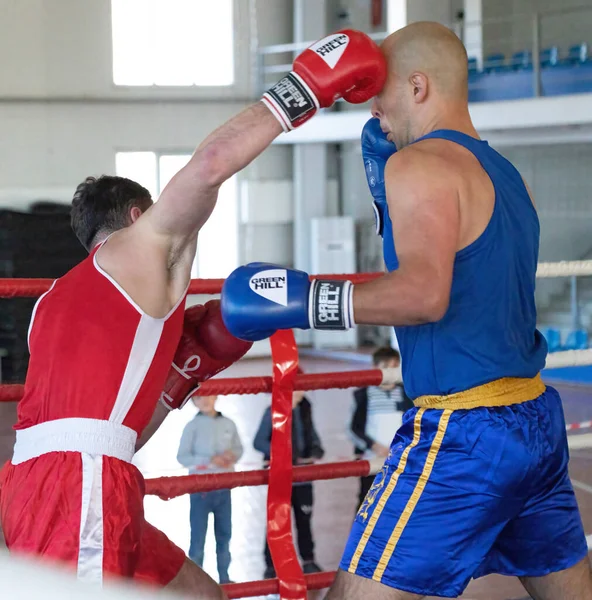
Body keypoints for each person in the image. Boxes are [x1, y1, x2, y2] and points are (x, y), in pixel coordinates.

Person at [0, 27, 387, 597]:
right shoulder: (138, 248)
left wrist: (188, 367)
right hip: (77, 490)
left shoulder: (54, 302)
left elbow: (115, 431)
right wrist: (306, 85)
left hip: (61, 480)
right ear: (137, 215)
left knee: (198, 592)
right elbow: (209, 164)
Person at [220, 21, 592, 600]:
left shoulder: (418, 166)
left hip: (464, 431)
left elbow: (423, 295)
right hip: (533, 417)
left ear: (418, 87)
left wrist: (302, 300)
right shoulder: (508, 176)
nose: (372, 105)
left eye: (380, 90)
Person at [253, 386, 324, 579]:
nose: (297, 393)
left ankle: (308, 561)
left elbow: (314, 438)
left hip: (302, 478)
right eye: (293, 389)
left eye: (300, 389)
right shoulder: (271, 412)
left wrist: (316, 451)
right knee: (276, 522)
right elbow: (258, 442)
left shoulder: (305, 410)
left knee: (304, 521)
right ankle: (271, 564)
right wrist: (283, 452)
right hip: (279, 477)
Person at [177, 394, 243, 584]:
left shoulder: (229, 423)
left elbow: (239, 448)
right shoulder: (192, 426)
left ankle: (225, 578)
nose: (204, 400)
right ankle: (197, 583)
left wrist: (232, 456)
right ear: (192, 401)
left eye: (208, 395)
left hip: (224, 488)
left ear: (216, 396)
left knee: (224, 535)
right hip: (200, 490)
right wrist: (208, 460)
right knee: (198, 537)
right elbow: (182, 457)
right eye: (198, 397)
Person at [349, 346, 412, 510]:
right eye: (386, 367)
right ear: (375, 368)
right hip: (371, 459)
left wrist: (402, 447)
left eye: (394, 367)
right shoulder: (363, 395)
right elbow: (353, 428)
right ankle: (361, 536)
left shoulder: (407, 394)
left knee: (400, 504)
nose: (390, 373)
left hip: (400, 459)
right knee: (367, 503)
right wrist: (374, 446)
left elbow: (412, 426)